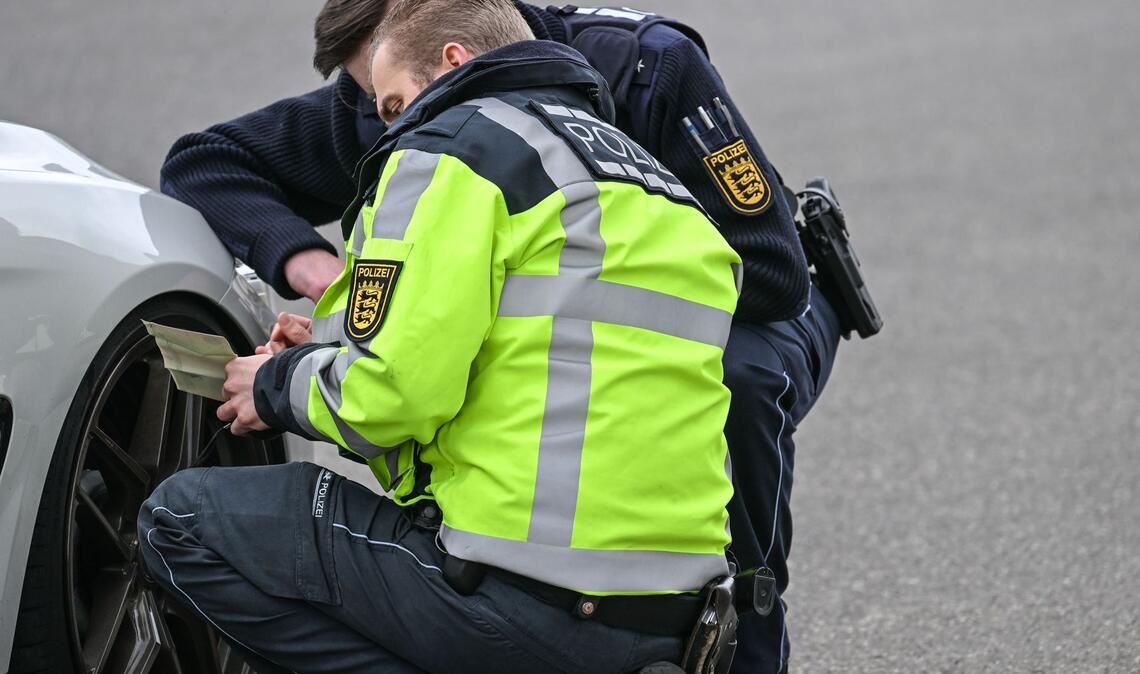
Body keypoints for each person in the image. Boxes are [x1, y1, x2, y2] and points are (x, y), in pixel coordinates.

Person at [161, 2, 850, 671]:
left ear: (446, 53)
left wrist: (284, 381)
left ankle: (751, 650)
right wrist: (343, 306)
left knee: (743, 382)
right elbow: (209, 161)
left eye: (392, 102)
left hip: (768, 308)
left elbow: (771, 270)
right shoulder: (643, 180)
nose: (387, 127)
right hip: (659, 605)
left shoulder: (642, 67)